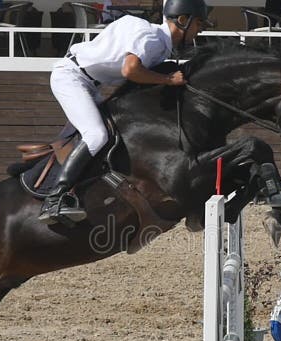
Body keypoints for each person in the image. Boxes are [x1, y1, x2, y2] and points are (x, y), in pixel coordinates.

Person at [38, 0, 211, 225]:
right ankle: (55, 198)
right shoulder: (152, 39)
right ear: (182, 20)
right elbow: (130, 70)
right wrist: (168, 80)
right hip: (71, 78)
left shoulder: (156, 40)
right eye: (198, 24)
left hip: (89, 83)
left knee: (114, 132)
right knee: (96, 135)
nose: (200, 30)